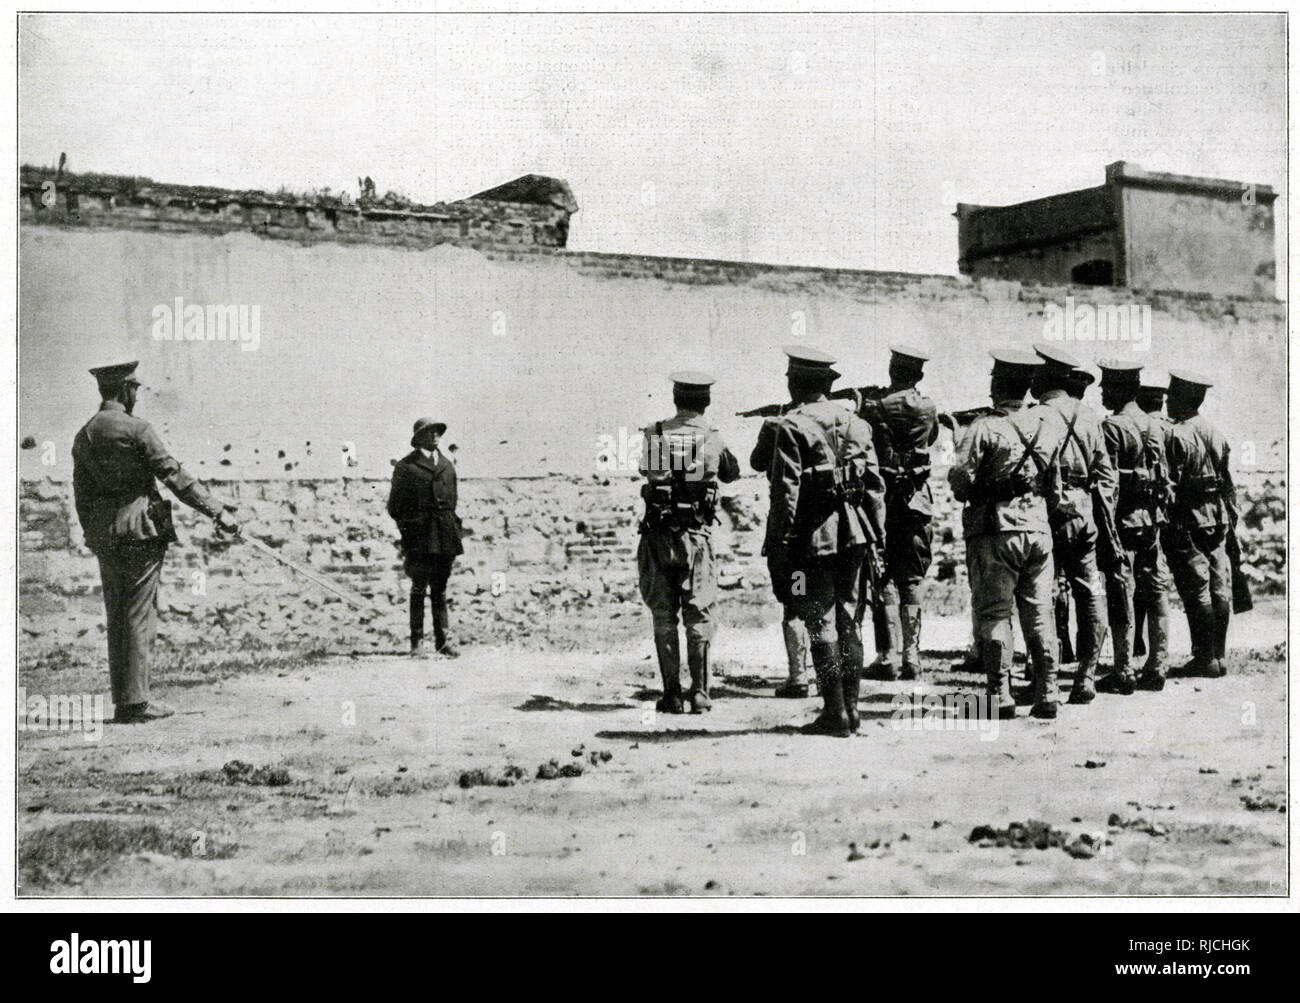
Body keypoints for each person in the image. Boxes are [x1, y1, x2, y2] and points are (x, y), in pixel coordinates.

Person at [72, 360, 239, 723]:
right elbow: (175, 476)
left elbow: (80, 494)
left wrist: (92, 531)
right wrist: (218, 511)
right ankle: (135, 703)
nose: (137, 393)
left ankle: (126, 700)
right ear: (125, 389)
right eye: (135, 387)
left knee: (117, 614)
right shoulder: (137, 430)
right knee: (139, 615)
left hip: (106, 536)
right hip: (141, 533)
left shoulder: (84, 435)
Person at [761, 346, 885, 736]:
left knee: (821, 622)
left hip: (813, 538)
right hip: (857, 535)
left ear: (797, 383)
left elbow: (785, 494)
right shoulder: (857, 424)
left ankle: (835, 713)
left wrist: (778, 545)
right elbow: (875, 489)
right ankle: (851, 709)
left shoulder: (790, 426)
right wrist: (877, 539)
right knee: (851, 620)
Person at [948, 349, 1064, 720]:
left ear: (998, 384)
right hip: (1038, 530)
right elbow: (1056, 489)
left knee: (996, 612)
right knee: (1040, 613)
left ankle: (1000, 694)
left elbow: (961, 483)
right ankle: (1048, 692)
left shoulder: (984, 427)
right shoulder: (1049, 424)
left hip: (996, 530)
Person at [637, 372, 741, 713]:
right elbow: (731, 473)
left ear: (675, 398)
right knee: (699, 614)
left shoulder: (655, 434)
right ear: (706, 401)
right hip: (696, 536)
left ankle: (671, 695)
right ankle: (699, 693)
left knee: (663, 616)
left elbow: (648, 471)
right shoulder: (713, 438)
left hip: (657, 536)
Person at [1031, 344, 1117, 704]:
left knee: (1044, 594)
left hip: (1047, 511)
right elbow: (1105, 475)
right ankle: (1085, 677)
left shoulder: (1038, 415)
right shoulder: (1089, 417)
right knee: (1091, 591)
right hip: (1085, 513)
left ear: (1045, 378)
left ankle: (1047, 682)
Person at [857, 345, 939, 682]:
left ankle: (887, 655)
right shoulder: (929, 407)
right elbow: (931, 438)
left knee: (883, 576)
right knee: (912, 577)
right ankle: (912, 656)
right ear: (918, 375)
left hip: (882, 500)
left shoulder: (874, 407)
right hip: (917, 499)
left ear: (892, 370)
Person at [1098, 360, 1172, 692]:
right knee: (1156, 591)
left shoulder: (1112, 426)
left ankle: (1123, 669)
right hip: (1152, 518)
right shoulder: (1155, 425)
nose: (1101, 391)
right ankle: (1158, 665)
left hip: (1124, 521)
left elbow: (1108, 485)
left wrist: (1106, 527)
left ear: (1118, 389)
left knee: (1120, 592)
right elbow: (1164, 477)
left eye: (1106, 386)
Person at [1163, 370, 1236, 678]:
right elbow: (1227, 481)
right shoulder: (1214, 432)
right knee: (1220, 587)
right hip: (1218, 517)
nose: (1166, 401)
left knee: (1196, 589)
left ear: (1183, 398)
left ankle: (1203, 657)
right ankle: (1218, 656)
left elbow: (1171, 483)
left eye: (1171, 396)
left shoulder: (1176, 434)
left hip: (1189, 518)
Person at [388, 417, 463, 656]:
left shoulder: (447, 466)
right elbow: (395, 507)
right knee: (419, 588)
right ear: (419, 437)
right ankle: (417, 642)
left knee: (440, 589)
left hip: (444, 536)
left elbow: (452, 501)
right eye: (429, 431)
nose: (435, 435)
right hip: (420, 538)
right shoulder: (406, 467)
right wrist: (411, 530)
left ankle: (443, 642)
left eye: (438, 431)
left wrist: (452, 527)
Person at [750, 409, 811, 698]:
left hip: (793, 537)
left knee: (796, 602)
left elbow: (756, 461)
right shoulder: (837, 420)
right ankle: (829, 677)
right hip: (827, 533)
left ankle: (799, 676)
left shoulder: (777, 425)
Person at [1132, 374, 1172, 664]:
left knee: (1133, 582)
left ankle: (1134, 643)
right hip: (1163, 515)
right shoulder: (1168, 429)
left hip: (1133, 515)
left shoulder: (1133, 426)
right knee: (1156, 582)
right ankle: (1157, 657)